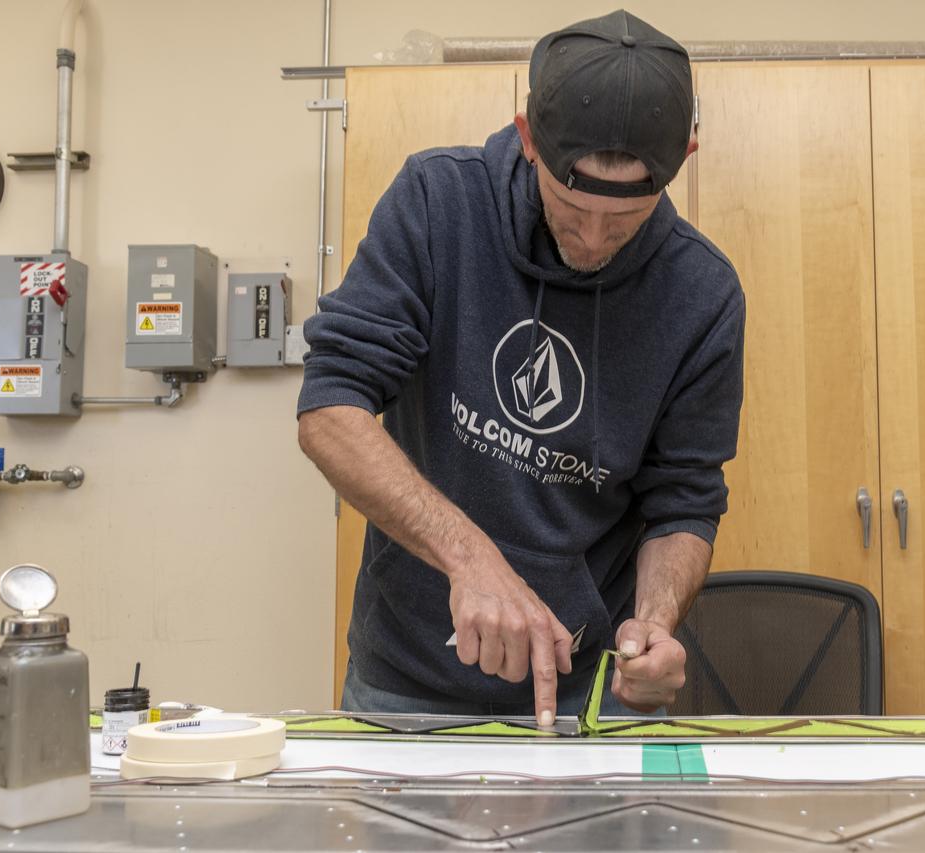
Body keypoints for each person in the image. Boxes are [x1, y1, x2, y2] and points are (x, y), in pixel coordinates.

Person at [296, 9, 744, 725]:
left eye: (623, 221)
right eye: (571, 210)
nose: (594, 240)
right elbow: (329, 408)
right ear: (529, 138)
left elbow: (683, 500)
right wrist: (469, 555)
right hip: (405, 682)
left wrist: (654, 622)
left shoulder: (703, 294)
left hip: (588, 692)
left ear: (684, 157)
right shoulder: (437, 203)